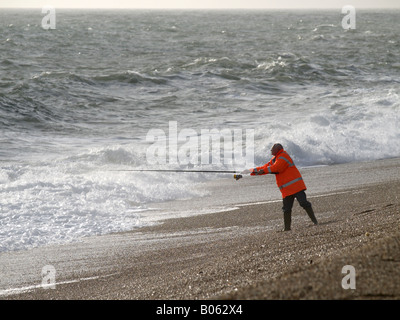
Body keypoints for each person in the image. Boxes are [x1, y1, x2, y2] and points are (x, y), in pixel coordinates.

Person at [237, 143, 318, 231]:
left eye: (272, 149)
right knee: (286, 209)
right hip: (286, 189)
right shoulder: (275, 159)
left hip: (296, 186)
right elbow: (265, 167)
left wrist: (263, 171)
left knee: (303, 203)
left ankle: (315, 221)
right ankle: (287, 228)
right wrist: (249, 171)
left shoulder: (283, 156)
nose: (271, 151)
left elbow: (277, 168)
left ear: (278, 149)